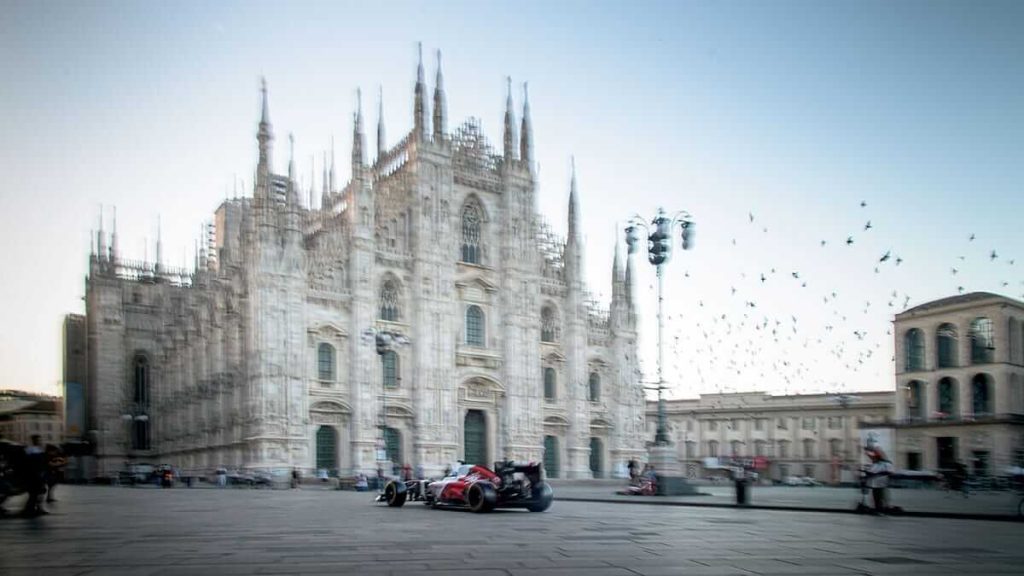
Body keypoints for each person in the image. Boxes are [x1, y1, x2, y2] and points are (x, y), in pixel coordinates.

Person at [864, 443, 893, 514]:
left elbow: (889, 472)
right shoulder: (874, 464)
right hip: (875, 484)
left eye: (875, 457)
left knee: (882, 497)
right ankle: (877, 509)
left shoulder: (886, 464)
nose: (873, 459)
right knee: (876, 498)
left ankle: (883, 509)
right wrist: (867, 473)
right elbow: (871, 472)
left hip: (882, 484)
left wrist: (876, 474)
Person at [21, 435, 47, 516]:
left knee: (38, 492)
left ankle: (34, 508)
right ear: (33, 440)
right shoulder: (30, 450)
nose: (39, 441)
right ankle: (30, 509)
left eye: (39, 440)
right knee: (34, 493)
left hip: (38, 474)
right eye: (37, 440)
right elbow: (31, 463)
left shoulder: (38, 449)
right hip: (34, 474)